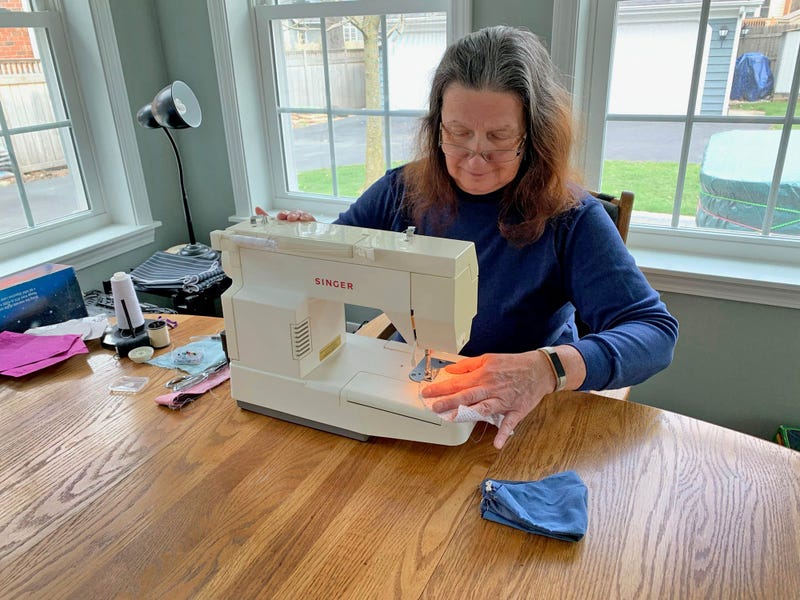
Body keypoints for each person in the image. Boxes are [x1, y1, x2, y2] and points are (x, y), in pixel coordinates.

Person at [272, 25, 678, 450]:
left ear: (533, 135)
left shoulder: (571, 219)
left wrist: (547, 369)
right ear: (437, 127)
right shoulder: (401, 191)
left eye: (499, 139)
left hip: (517, 419)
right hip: (412, 390)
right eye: (458, 133)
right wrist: (302, 242)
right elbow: (328, 263)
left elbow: (654, 332)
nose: (475, 158)